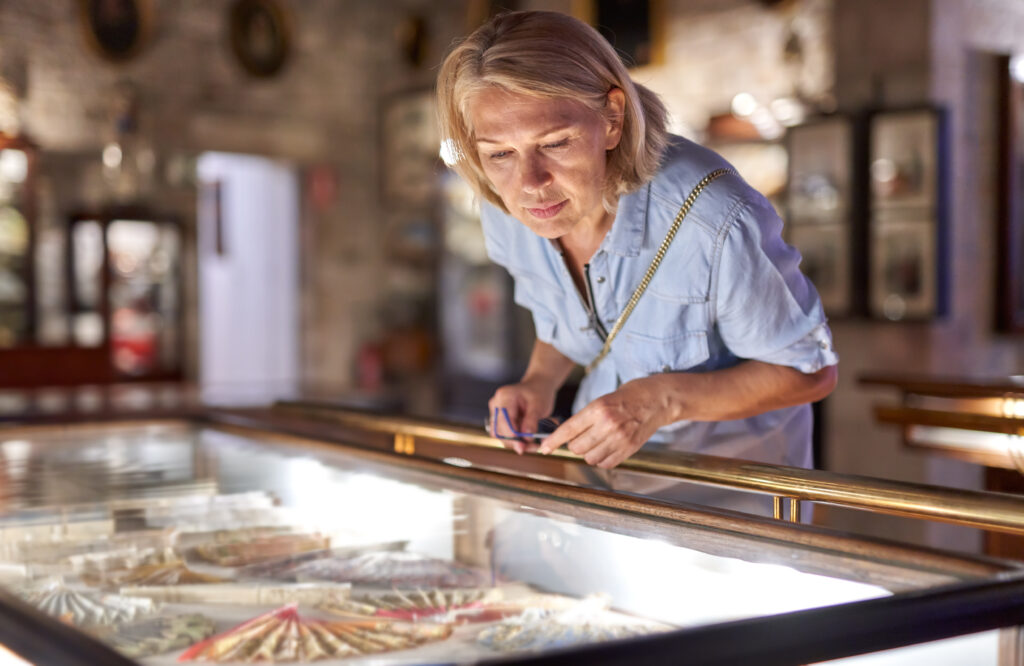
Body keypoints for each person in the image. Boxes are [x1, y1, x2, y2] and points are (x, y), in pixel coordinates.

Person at [435, 11, 838, 507]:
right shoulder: (508, 209)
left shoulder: (715, 219)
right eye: (499, 154)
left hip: (734, 508)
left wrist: (659, 400)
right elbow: (575, 319)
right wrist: (538, 382)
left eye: (555, 143)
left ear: (612, 118)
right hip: (612, 496)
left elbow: (810, 372)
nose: (530, 182)